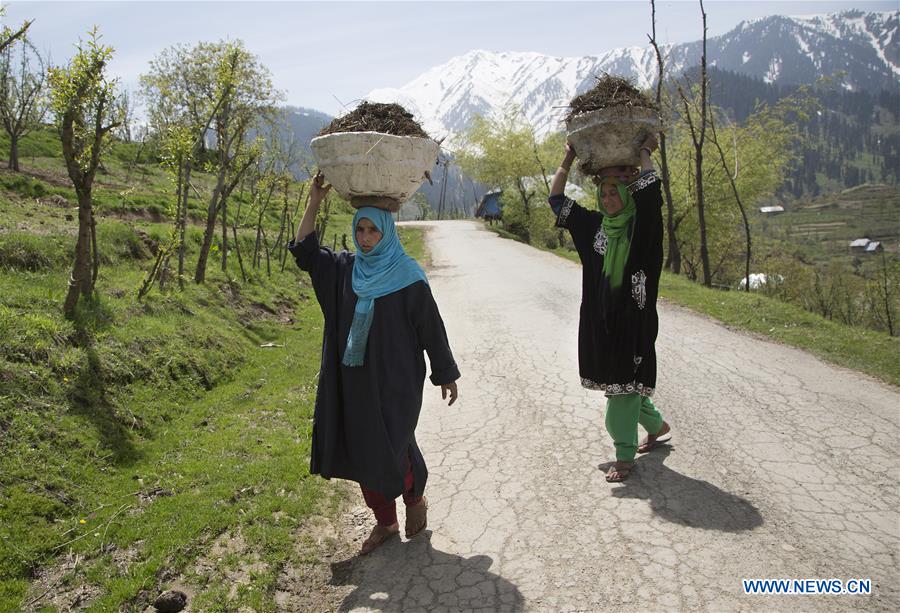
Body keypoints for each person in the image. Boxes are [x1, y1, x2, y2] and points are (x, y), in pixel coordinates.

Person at [288, 173, 460, 553]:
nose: (365, 238)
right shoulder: (345, 269)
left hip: (397, 379)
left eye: (373, 231)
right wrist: (314, 201)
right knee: (364, 447)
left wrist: (445, 373)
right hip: (354, 381)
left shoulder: (407, 275)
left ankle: (414, 500)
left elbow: (431, 327)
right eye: (360, 230)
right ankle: (384, 521)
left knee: (395, 443)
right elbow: (304, 251)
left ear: (387, 232)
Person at [548, 136, 671, 482]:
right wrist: (568, 157)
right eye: (603, 192)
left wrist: (644, 153)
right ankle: (657, 425)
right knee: (625, 385)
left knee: (621, 391)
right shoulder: (593, 227)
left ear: (628, 192)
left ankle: (624, 456)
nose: (608, 198)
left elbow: (651, 191)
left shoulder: (643, 227)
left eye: (615, 191)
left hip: (633, 324)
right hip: (601, 322)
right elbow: (556, 200)